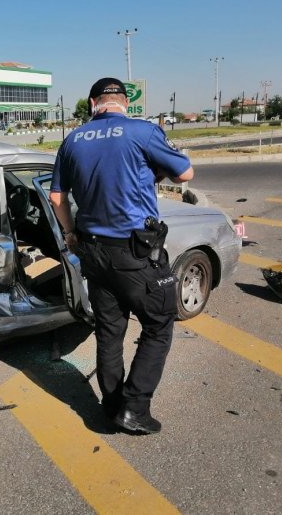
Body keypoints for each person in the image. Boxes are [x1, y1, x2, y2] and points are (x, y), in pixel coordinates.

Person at [49, 77, 193, 434]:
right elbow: (186, 172)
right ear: (123, 102)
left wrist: (70, 235)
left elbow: (57, 198)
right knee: (159, 325)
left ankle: (110, 406)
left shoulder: (72, 140)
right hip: (135, 253)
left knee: (109, 332)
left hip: (92, 250)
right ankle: (135, 407)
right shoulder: (142, 132)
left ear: (93, 102)